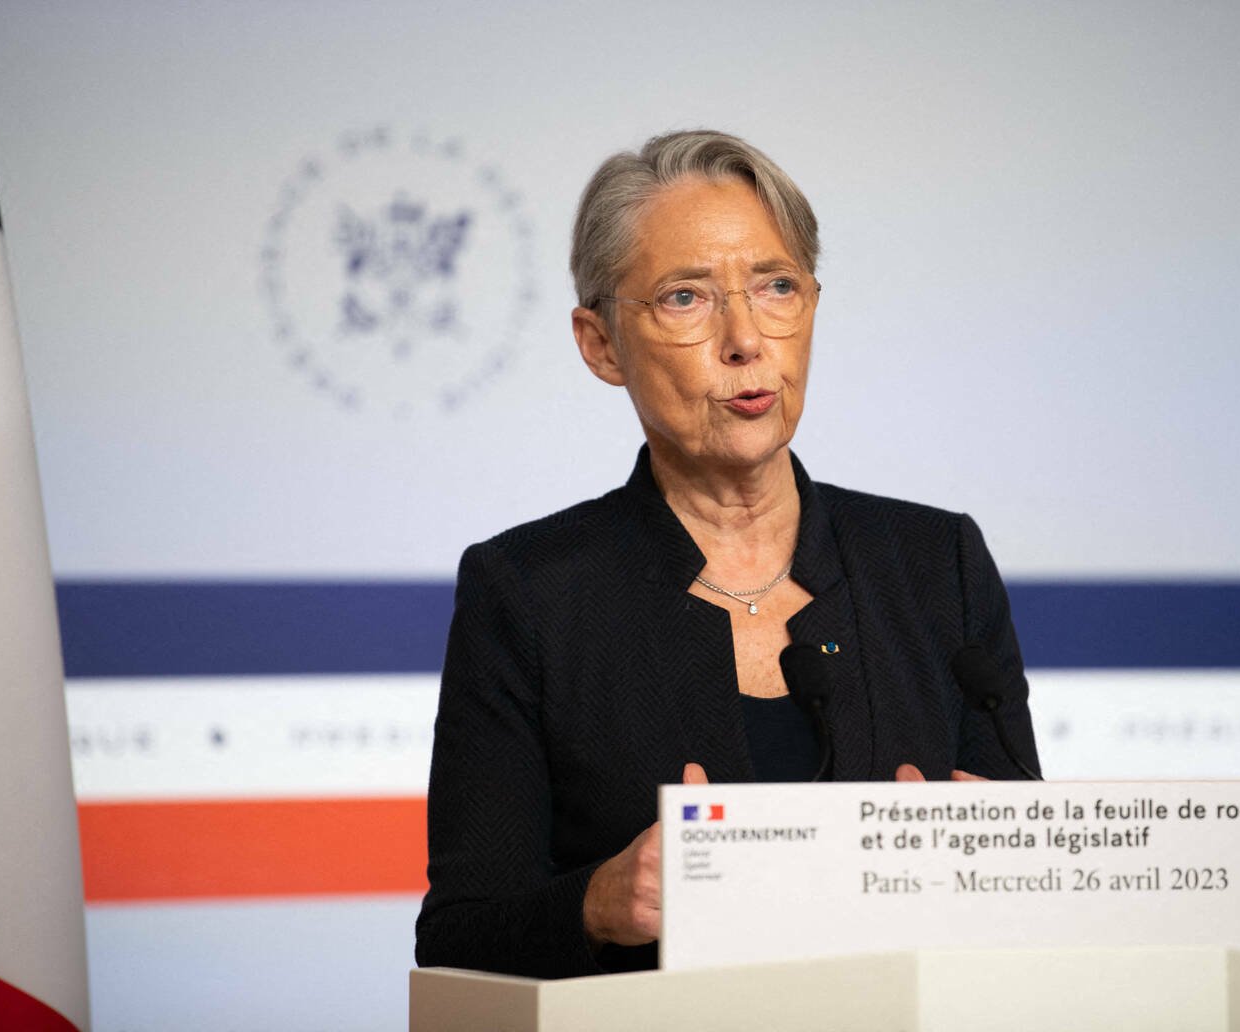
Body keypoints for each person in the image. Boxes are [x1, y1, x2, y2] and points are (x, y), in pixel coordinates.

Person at [414, 129, 1039, 979]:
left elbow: (1028, 888)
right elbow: (457, 942)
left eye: (777, 287)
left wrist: (1008, 869)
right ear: (601, 344)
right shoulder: (530, 595)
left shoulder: (936, 565)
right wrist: (598, 905)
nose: (745, 339)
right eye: (686, 298)